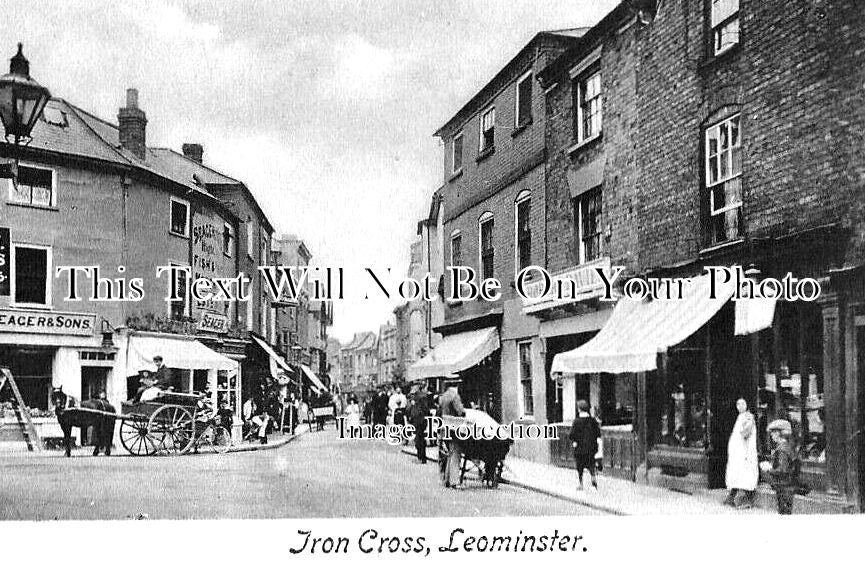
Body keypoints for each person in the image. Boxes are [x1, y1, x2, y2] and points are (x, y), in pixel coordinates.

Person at [724, 398, 759, 508]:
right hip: (738, 452)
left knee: (744, 474)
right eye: (738, 404)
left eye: (743, 403)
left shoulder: (748, 417)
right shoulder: (741, 416)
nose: (740, 406)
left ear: (747, 405)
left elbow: (745, 434)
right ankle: (731, 498)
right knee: (737, 474)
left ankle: (748, 500)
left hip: (744, 451)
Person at [760, 419, 797, 515]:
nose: (772, 435)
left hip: (783, 487)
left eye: (773, 432)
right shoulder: (787, 446)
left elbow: (782, 470)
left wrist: (768, 468)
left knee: (784, 512)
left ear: (779, 433)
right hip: (787, 486)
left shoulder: (782, 450)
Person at [438, 381, 466, 488]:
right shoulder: (455, 396)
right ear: (456, 385)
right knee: (455, 454)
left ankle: (447, 480)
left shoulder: (443, 396)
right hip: (454, 429)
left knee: (449, 454)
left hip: (445, 429)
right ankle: (454, 481)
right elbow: (460, 412)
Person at [569, 399, 601, 492]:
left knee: (580, 466)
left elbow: (572, 435)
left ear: (579, 409)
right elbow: (598, 433)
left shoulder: (576, 421)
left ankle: (581, 484)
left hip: (580, 449)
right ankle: (594, 484)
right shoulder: (592, 421)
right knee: (591, 466)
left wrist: (574, 442)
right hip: (591, 448)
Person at [408, 382, 431, 464]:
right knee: (420, 438)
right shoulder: (421, 397)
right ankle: (422, 457)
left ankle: (421, 456)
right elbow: (426, 409)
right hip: (420, 420)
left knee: (419, 438)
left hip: (417, 420)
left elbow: (410, 409)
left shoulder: (416, 397)